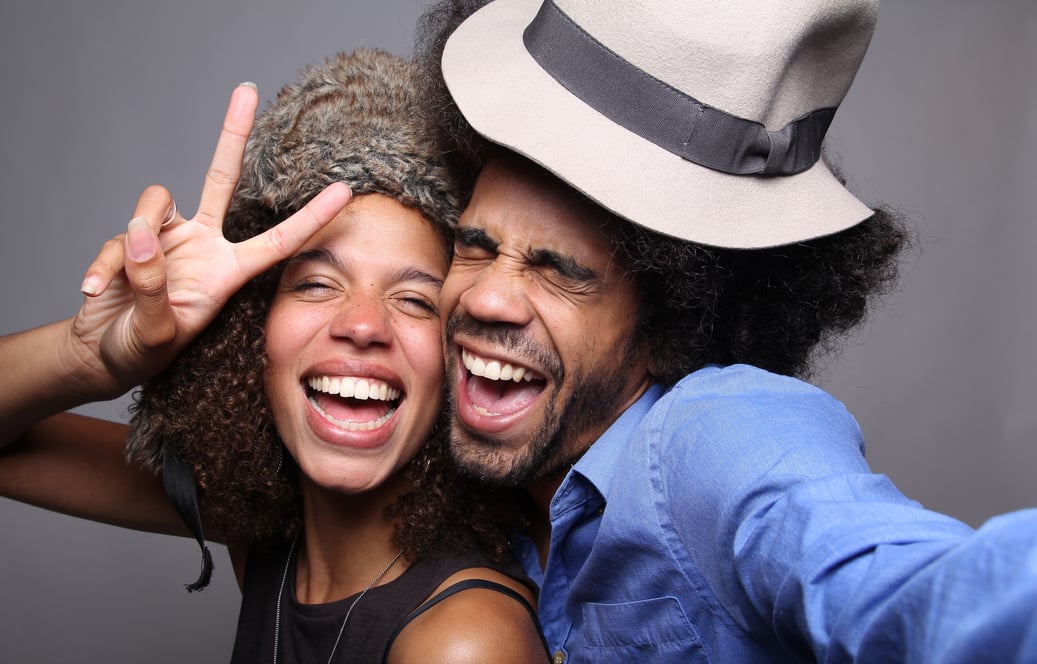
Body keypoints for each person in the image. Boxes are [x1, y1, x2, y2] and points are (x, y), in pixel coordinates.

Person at [407, 0, 1037, 662]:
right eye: (474, 246)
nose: (486, 297)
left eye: (558, 272)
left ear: (668, 322)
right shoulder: (455, 489)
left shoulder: (713, 439)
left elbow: (919, 594)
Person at [0, 49, 548, 663]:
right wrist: (86, 358)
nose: (363, 324)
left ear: (459, 360)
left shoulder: (465, 642)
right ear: (252, 333)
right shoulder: (272, 533)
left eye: (416, 300)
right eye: (316, 284)